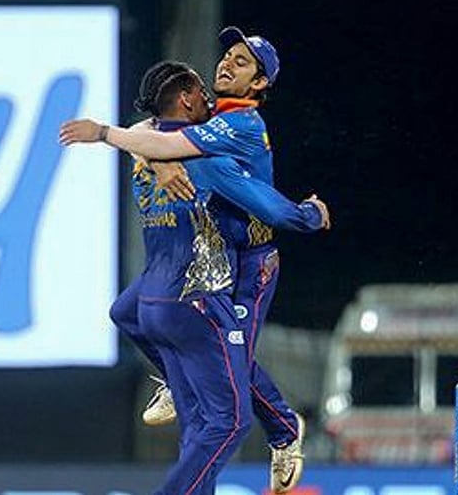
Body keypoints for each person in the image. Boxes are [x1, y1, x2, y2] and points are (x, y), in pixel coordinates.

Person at [61, 27, 312, 493]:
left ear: (260, 83)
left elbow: (168, 143)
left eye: (241, 62)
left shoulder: (242, 125)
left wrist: (308, 215)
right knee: (129, 314)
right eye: (227, 55)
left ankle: (284, 432)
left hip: (248, 266)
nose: (226, 63)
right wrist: (158, 160)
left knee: (232, 373)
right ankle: (180, 390)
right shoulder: (206, 117)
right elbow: (154, 130)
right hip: (202, 268)